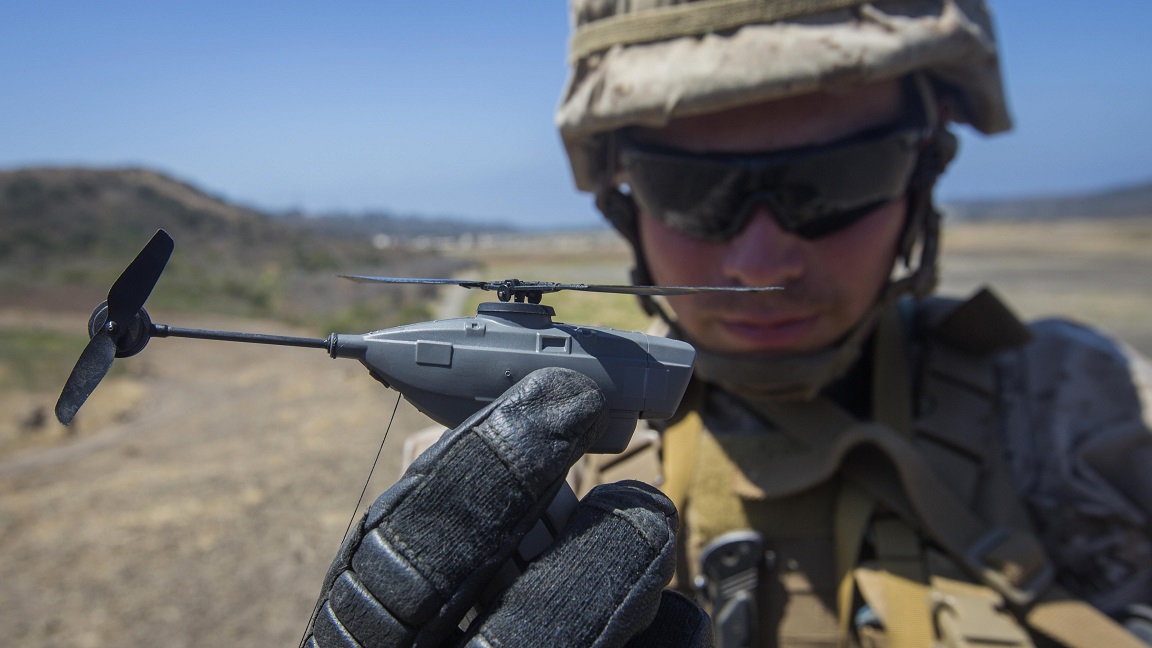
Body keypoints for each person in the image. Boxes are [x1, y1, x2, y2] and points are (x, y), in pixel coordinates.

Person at [303, 1, 1152, 646]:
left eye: (839, 179)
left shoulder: (1094, 417)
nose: (758, 264)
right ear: (624, 202)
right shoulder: (504, 473)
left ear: (924, 170)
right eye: (690, 191)